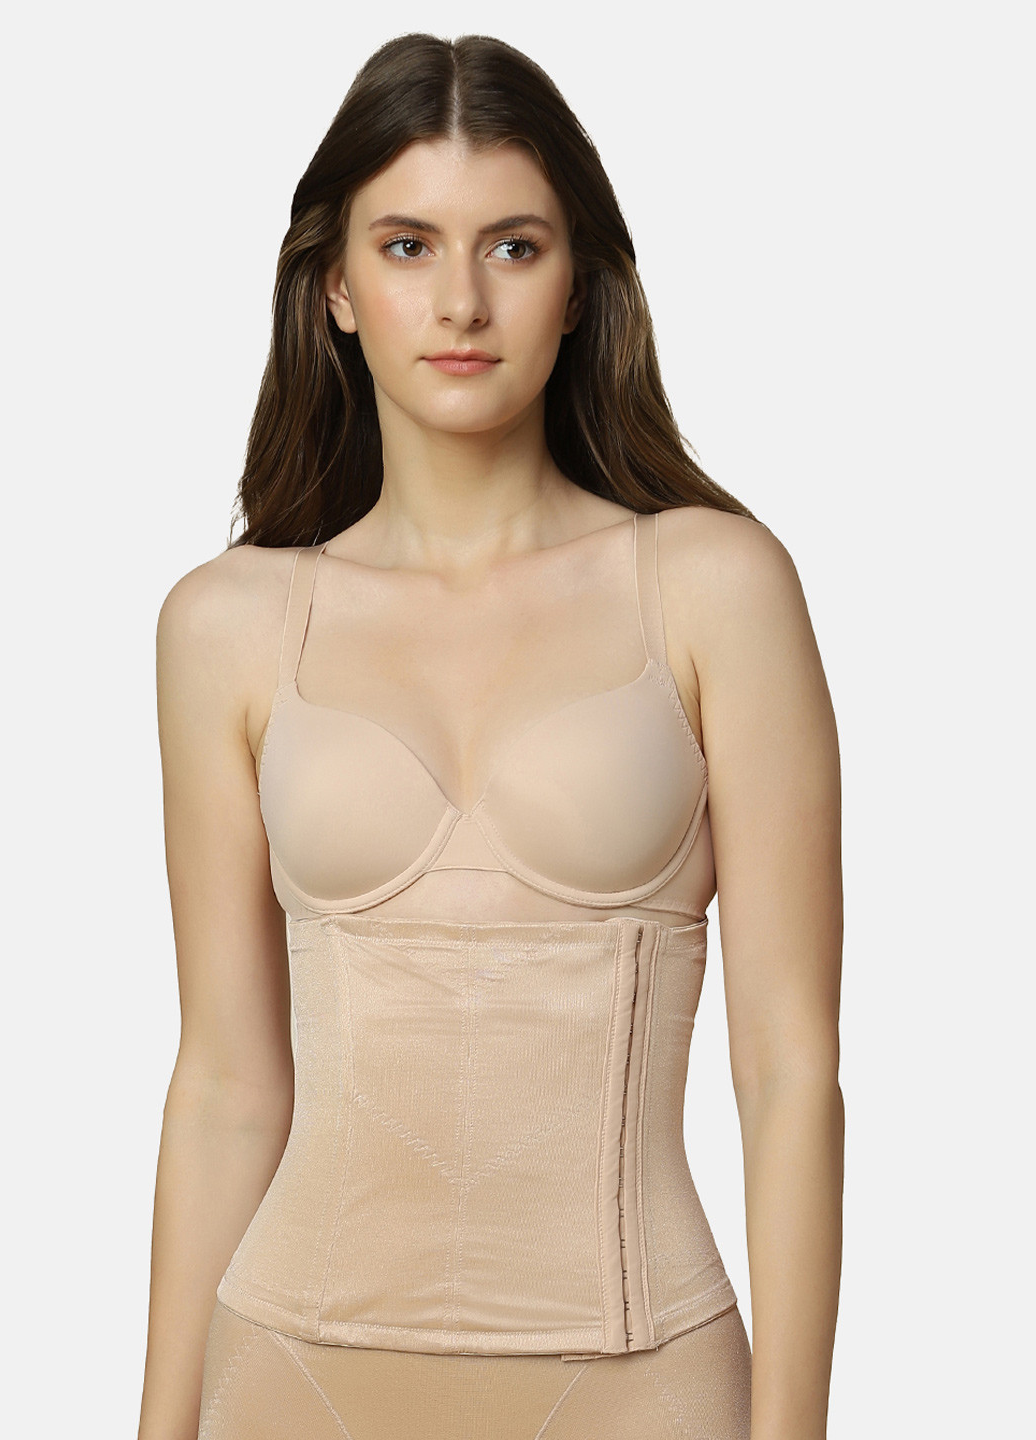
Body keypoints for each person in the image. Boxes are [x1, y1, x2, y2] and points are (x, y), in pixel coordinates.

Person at [137, 32, 844, 1440]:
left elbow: (789, 1071)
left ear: (579, 284)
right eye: (407, 246)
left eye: (514, 247)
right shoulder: (227, 623)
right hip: (290, 1376)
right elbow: (224, 1084)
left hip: (639, 1380)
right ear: (335, 288)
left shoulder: (715, 587)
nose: (461, 301)